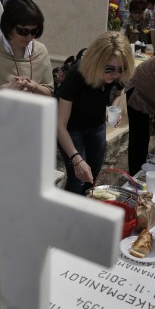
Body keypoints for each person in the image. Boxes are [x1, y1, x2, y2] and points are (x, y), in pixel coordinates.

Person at [0, 0, 54, 168]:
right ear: (9, 26)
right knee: (1, 193)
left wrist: (35, 87)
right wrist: (7, 88)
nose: (29, 36)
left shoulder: (41, 51)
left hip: (29, 138)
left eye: (34, 31)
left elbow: (49, 92)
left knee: (24, 192)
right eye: (23, 30)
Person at [57, 31, 134, 195]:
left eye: (121, 69)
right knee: (77, 178)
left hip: (96, 126)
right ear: (96, 62)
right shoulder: (77, 75)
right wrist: (76, 159)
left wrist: (113, 109)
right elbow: (59, 125)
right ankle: (65, 217)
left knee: (93, 177)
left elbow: (118, 94)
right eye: (109, 69)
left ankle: (85, 212)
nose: (115, 75)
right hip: (71, 128)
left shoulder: (118, 74)